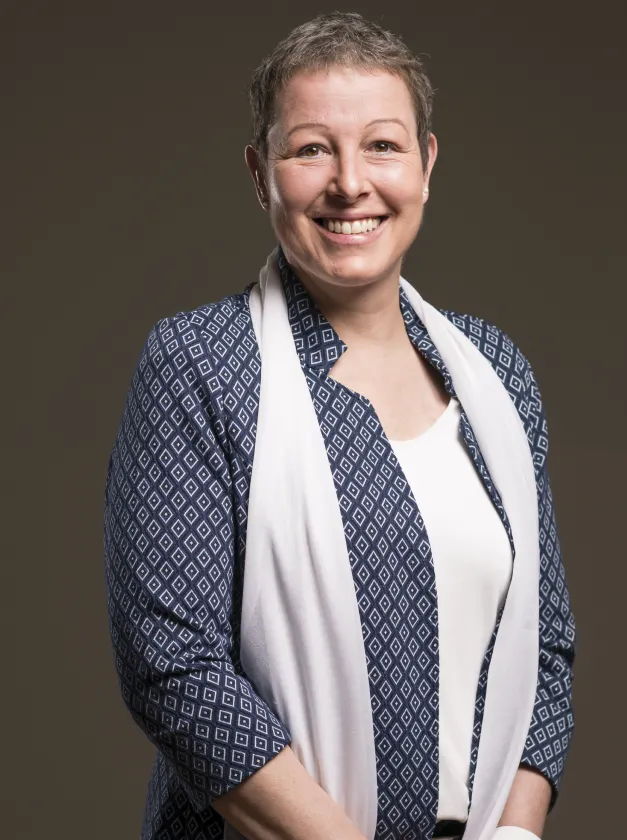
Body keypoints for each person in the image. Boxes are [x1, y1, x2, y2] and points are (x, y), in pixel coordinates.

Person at [103, 14, 574, 840]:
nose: (350, 182)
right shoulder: (201, 364)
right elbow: (172, 666)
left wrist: (517, 834)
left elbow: (545, 649)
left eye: (383, 146)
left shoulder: (496, 371)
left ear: (427, 166)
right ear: (260, 173)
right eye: (311, 148)